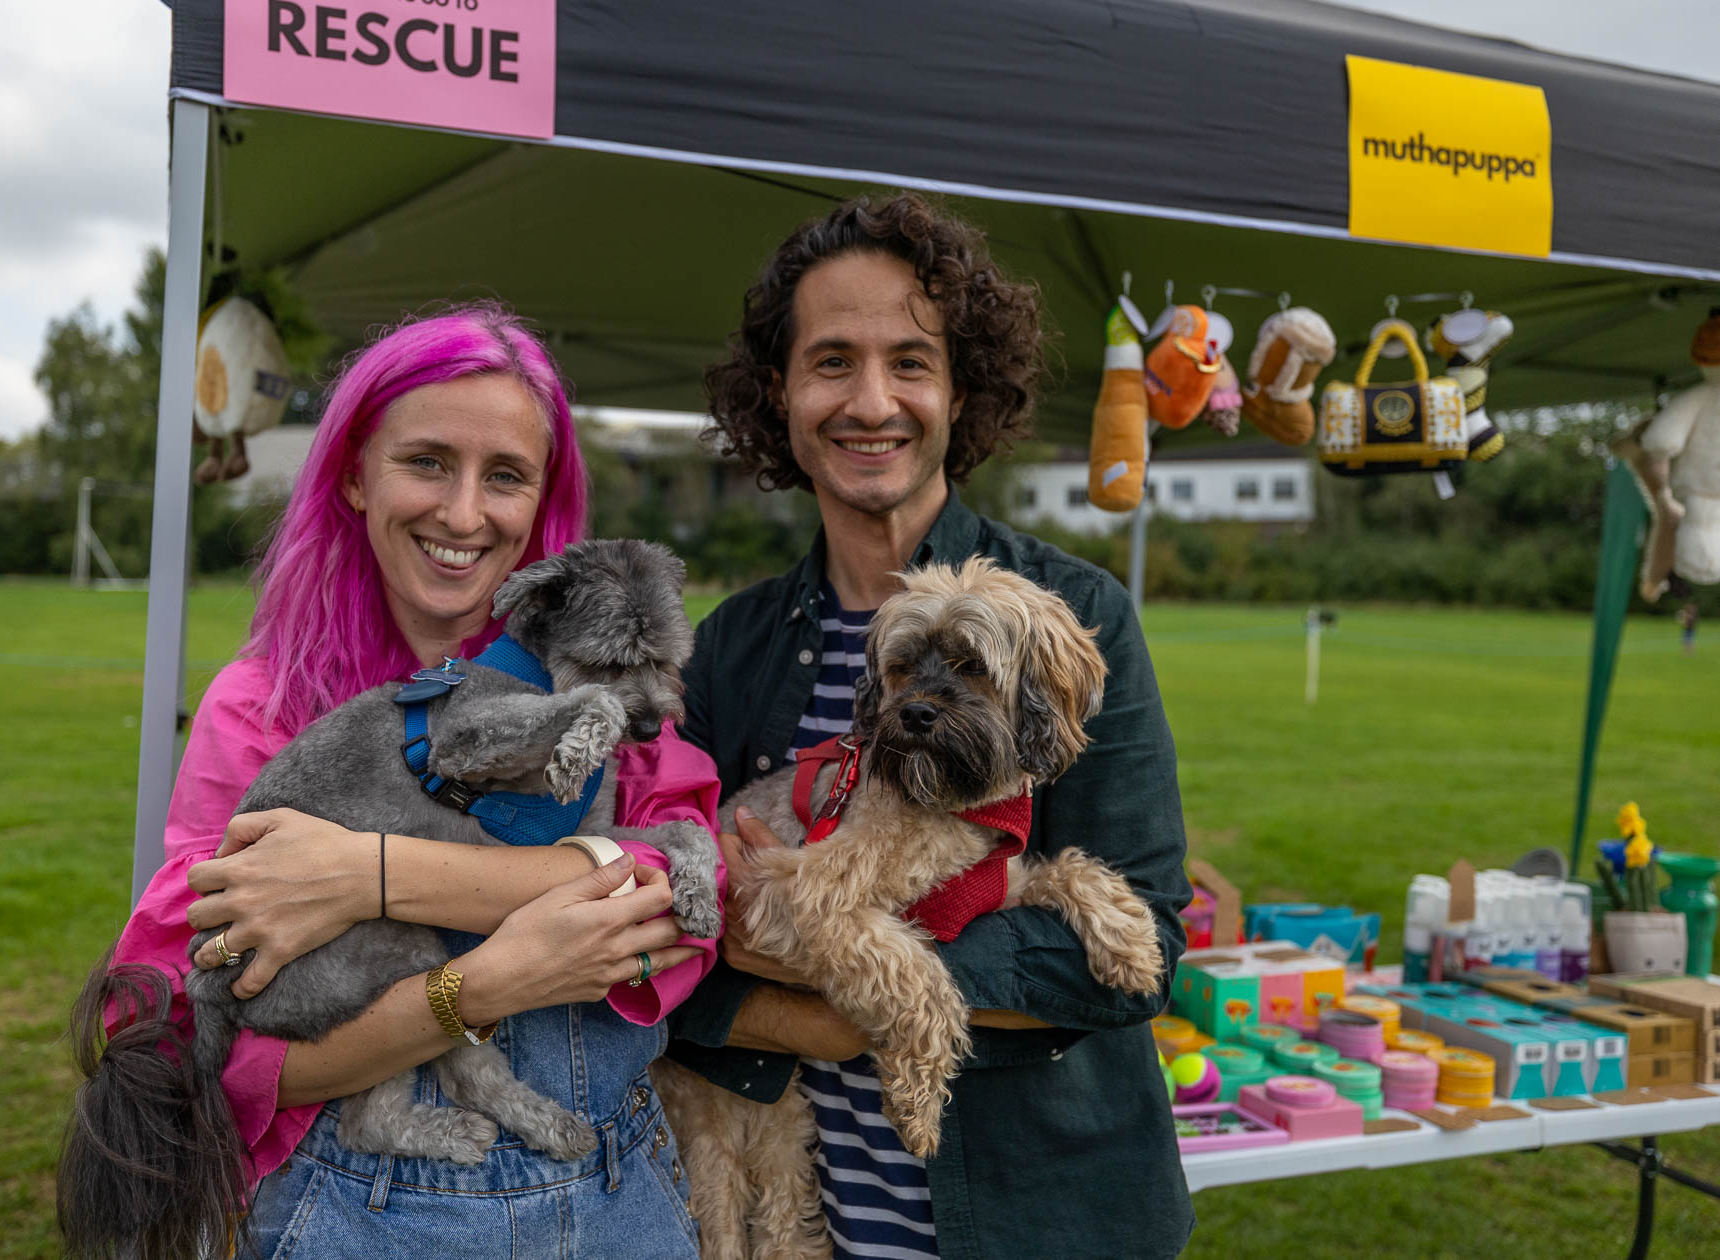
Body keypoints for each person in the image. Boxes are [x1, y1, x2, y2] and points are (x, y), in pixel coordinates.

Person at [82, 306, 718, 1257]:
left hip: (621, 1206)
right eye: (427, 461)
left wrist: (363, 877)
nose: (463, 514)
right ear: (353, 474)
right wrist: (482, 984)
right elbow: (226, 1050)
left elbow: (680, 906)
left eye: (505, 476)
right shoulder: (261, 708)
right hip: (361, 1216)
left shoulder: (597, 676)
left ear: (542, 499)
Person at [668, 194, 1196, 1259]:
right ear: (780, 394)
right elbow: (664, 949)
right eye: (832, 362)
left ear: (961, 389)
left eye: (910, 362)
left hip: (1041, 1223)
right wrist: (782, 985)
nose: (873, 402)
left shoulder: (1074, 615)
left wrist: (824, 970)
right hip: (807, 1223)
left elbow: (1141, 946)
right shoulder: (728, 648)